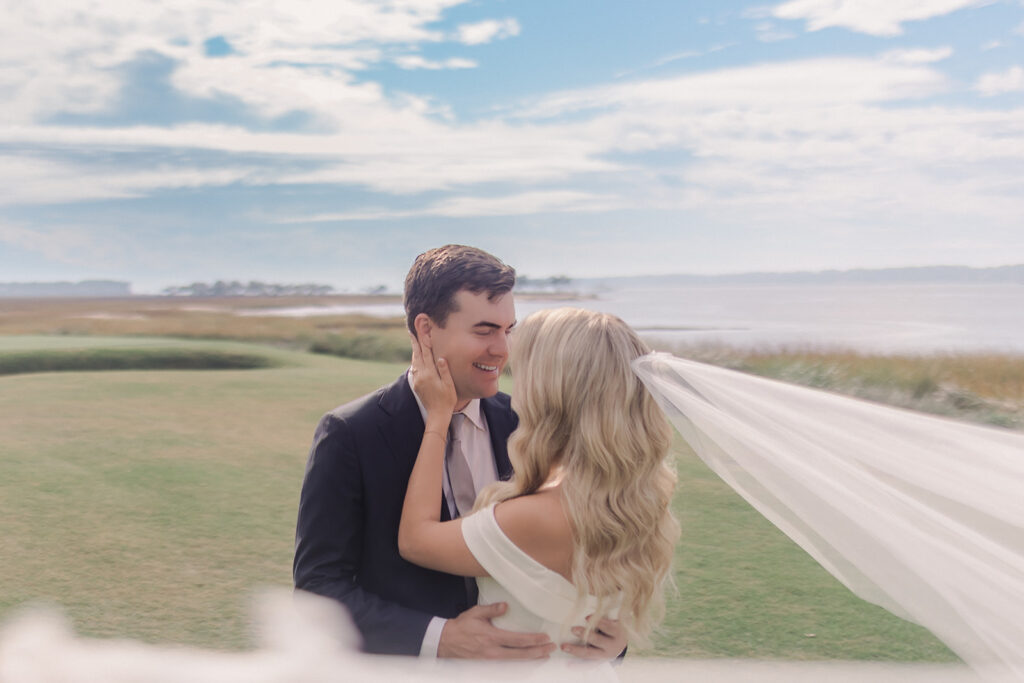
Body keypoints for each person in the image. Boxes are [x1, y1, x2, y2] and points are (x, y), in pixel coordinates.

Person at [293, 245, 627, 660]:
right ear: (427, 329)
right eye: (484, 331)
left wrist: (613, 640)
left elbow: (578, 551)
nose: (503, 349)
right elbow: (318, 589)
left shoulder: (529, 423)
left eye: (509, 330)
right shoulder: (350, 433)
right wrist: (438, 638)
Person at [398, 307, 679, 665]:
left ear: (553, 391)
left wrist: (438, 416)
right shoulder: (636, 497)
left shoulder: (536, 517)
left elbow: (415, 540)